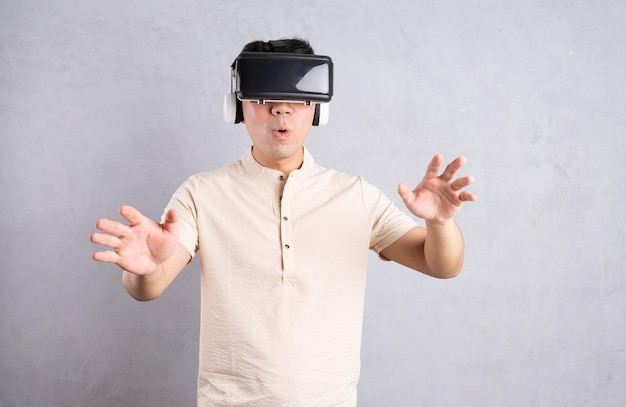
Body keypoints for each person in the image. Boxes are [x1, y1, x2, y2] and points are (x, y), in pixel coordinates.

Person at [90, 38, 476, 407]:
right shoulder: (200, 193)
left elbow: (441, 265)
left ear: (318, 109)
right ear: (237, 107)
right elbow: (148, 287)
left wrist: (440, 224)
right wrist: (146, 268)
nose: (281, 109)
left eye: (299, 97)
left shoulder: (356, 194)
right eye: (262, 96)